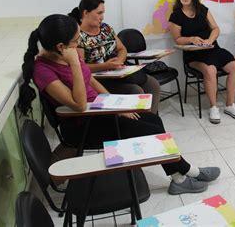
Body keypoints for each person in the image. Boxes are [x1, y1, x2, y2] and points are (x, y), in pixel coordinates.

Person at [18, 14, 220, 195]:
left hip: (100, 112)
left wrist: (117, 106)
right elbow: (79, 105)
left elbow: (91, 81)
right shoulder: (43, 71)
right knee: (148, 131)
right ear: (61, 47)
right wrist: (74, 64)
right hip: (83, 125)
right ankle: (187, 172)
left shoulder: (66, 53)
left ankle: (179, 178)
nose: (79, 44)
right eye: (76, 41)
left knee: (153, 121)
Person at [68, 0, 160, 114]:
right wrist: (105, 66)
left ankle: (150, 119)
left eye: (103, 13)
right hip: (98, 81)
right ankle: (136, 125)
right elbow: (81, 67)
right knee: (135, 90)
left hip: (118, 74)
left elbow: (122, 49)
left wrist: (119, 61)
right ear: (86, 13)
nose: (102, 17)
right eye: (99, 13)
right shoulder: (78, 36)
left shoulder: (106, 29)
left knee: (153, 84)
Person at [169, 0, 235, 124]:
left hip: (212, 48)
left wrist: (209, 39)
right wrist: (191, 39)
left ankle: (229, 104)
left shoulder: (203, 9)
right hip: (193, 54)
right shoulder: (176, 16)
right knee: (210, 70)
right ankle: (213, 107)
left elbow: (216, 29)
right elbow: (177, 39)